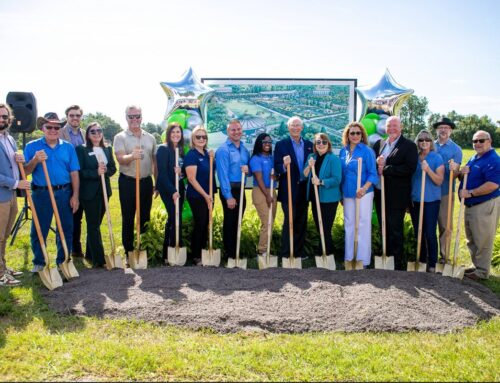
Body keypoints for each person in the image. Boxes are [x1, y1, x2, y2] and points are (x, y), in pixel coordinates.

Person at [24, 112, 80, 272]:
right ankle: (39, 262)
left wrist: (75, 195)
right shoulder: (32, 146)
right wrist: (35, 160)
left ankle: (63, 261)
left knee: (66, 227)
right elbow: (26, 172)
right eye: (49, 126)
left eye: (57, 127)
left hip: (64, 192)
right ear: (43, 128)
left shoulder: (67, 147)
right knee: (39, 228)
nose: (53, 130)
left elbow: (74, 172)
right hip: (42, 193)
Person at [373, 116, 418, 270]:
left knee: (395, 228)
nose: (391, 128)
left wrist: (385, 169)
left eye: (395, 125)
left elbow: (409, 168)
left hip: (396, 195)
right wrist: (376, 163)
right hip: (380, 192)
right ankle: (385, 256)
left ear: (401, 127)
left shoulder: (409, 146)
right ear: (385, 128)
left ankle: (396, 262)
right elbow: (373, 165)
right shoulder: (380, 144)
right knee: (383, 225)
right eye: (389, 126)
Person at [113, 105, 157, 259]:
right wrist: (132, 156)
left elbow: (154, 162)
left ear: (141, 117)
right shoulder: (120, 137)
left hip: (145, 182)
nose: (134, 119)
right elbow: (120, 159)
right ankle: (129, 251)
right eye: (131, 116)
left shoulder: (150, 137)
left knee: (145, 217)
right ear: (126, 118)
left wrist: (156, 183)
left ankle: (143, 248)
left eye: (137, 116)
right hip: (128, 182)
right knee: (128, 217)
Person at [458, 130, 499, 281]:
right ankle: (477, 266)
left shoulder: (493, 160)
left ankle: (482, 271)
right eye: (475, 141)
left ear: (489, 141)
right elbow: (470, 175)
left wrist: (470, 193)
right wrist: (462, 173)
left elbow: (493, 184)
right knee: (472, 238)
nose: (477, 144)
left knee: (483, 238)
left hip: (484, 204)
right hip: (471, 205)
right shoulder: (475, 157)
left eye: (481, 141)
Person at [76, 122, 116, 267]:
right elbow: (79, 172)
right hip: (89, 193)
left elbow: (113, 168)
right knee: (93, 225)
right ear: (88, 134)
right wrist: (95, 173)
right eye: (93, 131)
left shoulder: (107, 149)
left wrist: (106, 171)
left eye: (99, 131)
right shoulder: (81, 150)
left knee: (96, 224)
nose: (97, 133)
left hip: (104, 192)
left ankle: (90, 254)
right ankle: (99, 260)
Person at [274, 116, 314, 260]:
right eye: (293, 126)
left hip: (304, 189)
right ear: (288, 128)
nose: (296, 128)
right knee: (289, 220)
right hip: (288, 189)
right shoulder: (281, 145)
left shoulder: (310, 145)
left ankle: (298, 252)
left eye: (298, 125)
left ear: (302, 128)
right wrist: (284, 165)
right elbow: (276, 166)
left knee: (301, 221)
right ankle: (286, 252)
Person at [339, 122, 378, 268]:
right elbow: (342, 173)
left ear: (362, 135)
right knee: (349, 224)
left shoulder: (367, 151)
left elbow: (373, 175)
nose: (355, 136)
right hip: (348, 193)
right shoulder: (343, 152)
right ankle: (349, 257)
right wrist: (341, 194)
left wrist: (364, 188)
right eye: (352, 133)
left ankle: (363, 260)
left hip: (364, 193)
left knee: (362, 223)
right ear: (347, 136)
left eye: (358, 133)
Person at [0, 103, 30, 286]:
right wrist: (16, 183)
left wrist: (21, 159)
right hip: (2, 195)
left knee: (5, 233)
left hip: (10, 195)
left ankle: (2, 265)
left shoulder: (9, 139)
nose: (2, 119)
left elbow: (12, 165)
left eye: (4, 116)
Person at [215, 119, 250, 263]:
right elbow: (222, 175)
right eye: (233, 130)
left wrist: (248, 170)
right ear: (228, 132)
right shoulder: (223, 150)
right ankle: (229, 253)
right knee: (230, 222)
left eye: (239, 129)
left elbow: (249, 170)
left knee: (237, 222)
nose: (237, 132)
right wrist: (228, 196)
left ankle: (236, 251)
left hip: (241, 189)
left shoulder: (244, 149)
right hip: (229, 190)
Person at [410, 130, 444, 272]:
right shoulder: (414, 157)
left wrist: (428, 169)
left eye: (427, 140)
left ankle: (432, 263)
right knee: (419, 232)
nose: (424, 142)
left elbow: (439, 181)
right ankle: (421, 261)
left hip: (431, 201)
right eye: (421, 139)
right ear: (418, 142)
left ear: (431, 142)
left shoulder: (437, 158)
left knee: (429, 232)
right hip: (416, 201)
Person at [304, 133, 342, 257]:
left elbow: (337, 179)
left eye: (324, 142)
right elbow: (304, 175)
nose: (321, 144)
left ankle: (327, 252)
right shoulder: (311, 157)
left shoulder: (333, 159)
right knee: (319, 226)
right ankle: (323, 252)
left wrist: (320, 182)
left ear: (328, 144)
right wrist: (310, 167)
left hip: (329, 199)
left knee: (325, 227)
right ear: (315, 145)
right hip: (315, 198)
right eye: (318, 142)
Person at [184, 125, 216, 265]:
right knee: (200, 223)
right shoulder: (191, 155)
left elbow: (210, 173)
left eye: (204, 137)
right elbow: (191, 179)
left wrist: (212, 158)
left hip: (209, 194)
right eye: (198, 136)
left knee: (206, 224)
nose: (201, 139)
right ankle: (196, 255)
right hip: (197, 195)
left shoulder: (207, 154)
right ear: (193, 138)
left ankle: (204, 252)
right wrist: (205, 195)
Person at [433, 117, 462, 264]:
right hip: (429, 192)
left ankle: (444, 257)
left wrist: (455, 170)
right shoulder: (430, 145)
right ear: (437, 130)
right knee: (429, 225)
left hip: (445, 191)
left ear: (450, 131)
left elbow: (457, 175)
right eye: (441, 127)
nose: (443, 130)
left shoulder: (456, 149)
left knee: (445, 226)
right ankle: (429, 255)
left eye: (446, 128)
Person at [59, 105, 86, 258]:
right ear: (67, 117)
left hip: (82, 179)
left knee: (78, 215)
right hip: (66, 179)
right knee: (68, 215)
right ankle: (66, 249)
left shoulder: (83, 133)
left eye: (77, 115)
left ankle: (76, 248)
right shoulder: (60, 133)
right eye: (71, 115)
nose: (75, 118)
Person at [156, 123, 185, 264]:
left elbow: (183, 172)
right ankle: (171, 251)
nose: (176, 135)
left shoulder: (180, 149)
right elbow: (161, 174)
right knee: (174, 218)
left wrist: (182, 172)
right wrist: (173, 191)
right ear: (168, 133)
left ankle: (169, 254)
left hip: (179, 187)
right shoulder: (163, 149)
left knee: (174, 219)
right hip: (168, 188)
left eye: (178, 132)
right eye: (173, 132)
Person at [249, 133, 277, 256]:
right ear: (259, 143)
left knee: (271, 220)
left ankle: (267, 249)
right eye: (265, 142)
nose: (267, 144)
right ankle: (262, 250)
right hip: (261, 191)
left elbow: (276, 176)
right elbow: (259, 178)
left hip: (271, 190)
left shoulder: (272, 158)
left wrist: (275, 176)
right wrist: (267, 195)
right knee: (267, 220)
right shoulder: (256, 158)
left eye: (269, 142)